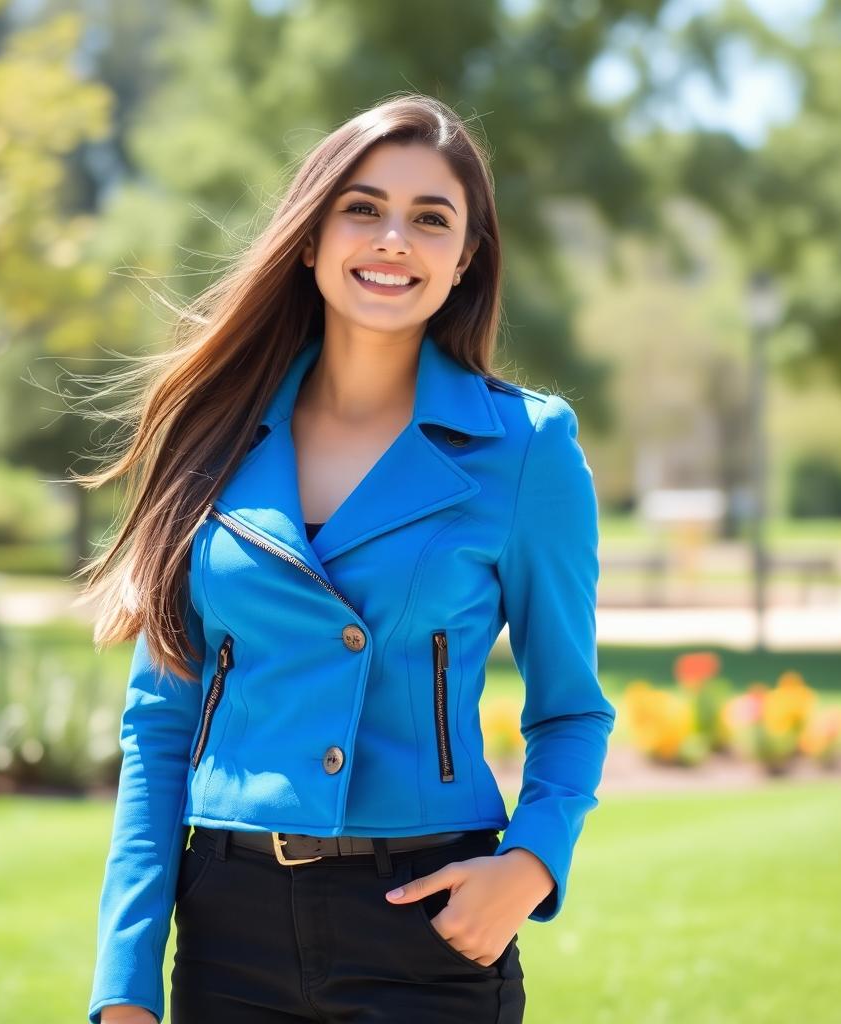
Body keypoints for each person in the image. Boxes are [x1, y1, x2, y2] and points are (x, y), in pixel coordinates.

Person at [80, 93, 616, 1024]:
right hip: (227, 931)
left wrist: (530, 866)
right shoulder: (212, 433)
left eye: (430, 219)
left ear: (465, 260)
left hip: (427, 928)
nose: (393, 239)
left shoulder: (527, 449)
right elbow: (160, 724)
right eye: (362, 208)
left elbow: (571, 707)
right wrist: (124, 982)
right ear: (310, 235)